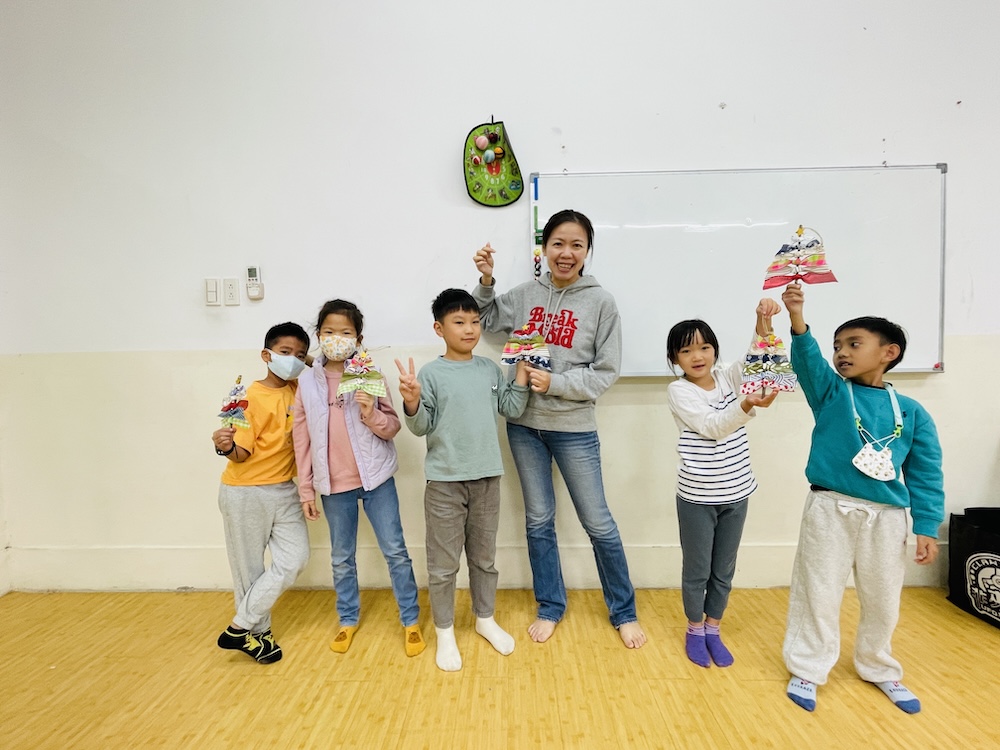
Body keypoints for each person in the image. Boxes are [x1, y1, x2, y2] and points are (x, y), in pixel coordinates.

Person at [472, 209, 646, 648]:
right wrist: (487, 281)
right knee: (538, 520)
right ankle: (550, 606)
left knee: (598, 522)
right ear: (545, 248)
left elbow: (606, 371)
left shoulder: (601, 302)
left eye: (577, 245)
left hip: (573, 428)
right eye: (558, 244)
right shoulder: (526, 294)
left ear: (587, 251)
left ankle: (623, 612)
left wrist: (558, 383)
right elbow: (487, 320)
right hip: (524, 426)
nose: (566, 253)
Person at [780, 282, 944, 713]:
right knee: (817, 591)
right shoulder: (832, 393)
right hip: (829, 509)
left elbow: (926, 474)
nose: (842, 353)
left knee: (883, 598)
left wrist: (927, 527)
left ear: (889, 352)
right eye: (838, 346)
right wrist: (797, 316)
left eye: (854, 344)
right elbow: (809, 362)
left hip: (887, 517)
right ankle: (808, 667)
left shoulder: (912, 412)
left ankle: (879, 666)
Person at [395, 289, 530, 671]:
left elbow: (511, 407)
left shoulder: (489, 369)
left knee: (484, 560)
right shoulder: (430, 374)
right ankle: (445, 631)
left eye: (474, 321)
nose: (469, 329)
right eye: (459, 322)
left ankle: (485, 619)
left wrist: (521, 371)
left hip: (487, 480)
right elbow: (420, 426)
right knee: (443, 566)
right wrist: (411, 400)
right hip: (444, 483)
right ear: (439, 329)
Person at [292, 299, 425, 657]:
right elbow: (301, 438)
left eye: (345, 332)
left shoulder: (371, 374)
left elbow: (392, 427)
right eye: (329, 332)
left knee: (395, 551)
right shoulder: (306, 382)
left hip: (376, 480)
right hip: (333, 486)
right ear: (319, 335)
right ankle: (347, 618)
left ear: (358, 338)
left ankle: (410, 619)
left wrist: (369, 412)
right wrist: (306, 488)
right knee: (341, 557)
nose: (336, 338)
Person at [665, 302, 780, 668]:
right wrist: (746, 405)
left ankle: (713, 628)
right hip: (697, 497)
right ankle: (695, 629)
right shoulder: (679, 391)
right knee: (697, 571)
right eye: (686, 350)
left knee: (724, 570)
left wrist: (762, 323)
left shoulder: (729, 376)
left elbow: (754, 358)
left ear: (714, 350)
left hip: (738, 491)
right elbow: (713, 427)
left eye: (704, 347)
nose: (697, 356)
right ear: (675, 358)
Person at [211, 322, 312, 664]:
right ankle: (259, 634)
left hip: (284, 490)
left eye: (300, 354)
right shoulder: (249, 397)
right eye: (285, 353)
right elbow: (241, 453)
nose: (293, 359)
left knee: (295, 559)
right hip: (245, 492)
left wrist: (305, 360)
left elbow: (321, 372)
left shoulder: (298, 388)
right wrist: (225, 446)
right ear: (266, 355)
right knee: (249, 570)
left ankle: (239, 627)